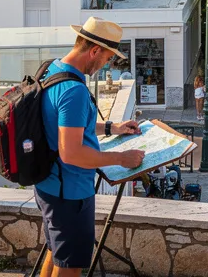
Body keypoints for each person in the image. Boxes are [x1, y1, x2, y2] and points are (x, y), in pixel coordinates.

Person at [36, 18, 146, 277]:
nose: (107, 64)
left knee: (55, 253)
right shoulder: (73, 90)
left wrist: (111, 128)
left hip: (49, 184)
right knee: (70, 266)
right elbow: (71, 153)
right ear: (94, 50)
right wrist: (121, 158)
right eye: (107, 58)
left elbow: (66, 125)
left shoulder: (51, 69)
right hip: (70, 192)